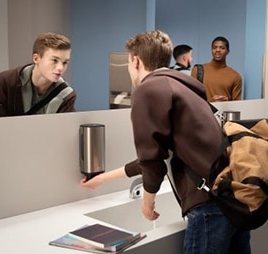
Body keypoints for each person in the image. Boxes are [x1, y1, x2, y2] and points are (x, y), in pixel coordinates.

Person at [81, 30, 250, 254]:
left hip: (209, 206)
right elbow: (157, 156)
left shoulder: (148, 89)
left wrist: (147, 202)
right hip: (233, 201)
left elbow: (152, 161)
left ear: (136, 60)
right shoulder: (183, 88)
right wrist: (102, 179)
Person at [0, 32, 76, 118]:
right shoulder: (4, 83)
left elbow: (61, 133)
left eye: (65, 62)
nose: (60, 68)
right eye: (54, 60)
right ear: (36, 58)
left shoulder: (67, 96)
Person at [191, 36, 242, 102]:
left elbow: (237, 104)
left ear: (228, 51)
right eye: (215, 47)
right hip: (203, 111)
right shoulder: (197, 70)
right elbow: (191, 98)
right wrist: (211, 102)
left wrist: (227, 102)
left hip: (224, 111)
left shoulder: (235, 76)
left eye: (222, 48)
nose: (218, 50)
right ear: (212, 50)